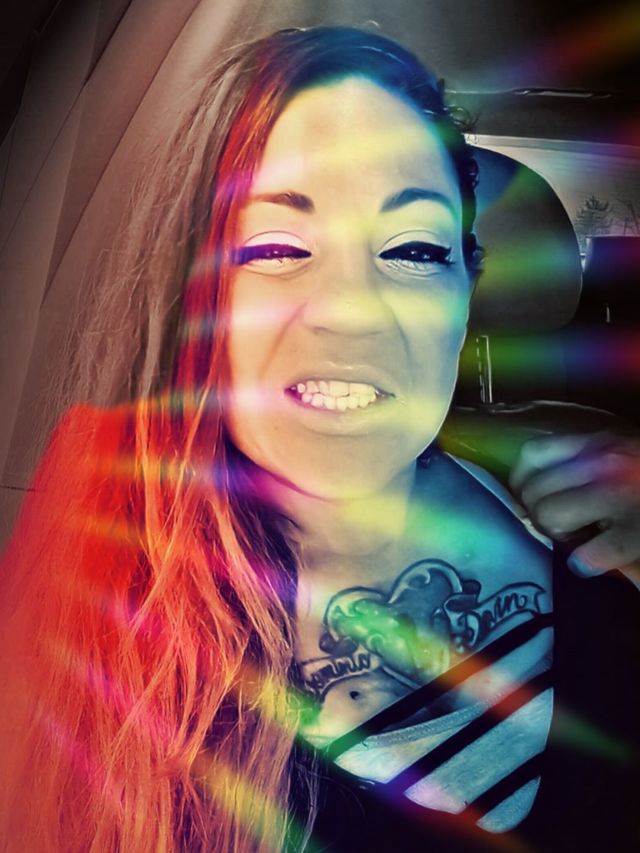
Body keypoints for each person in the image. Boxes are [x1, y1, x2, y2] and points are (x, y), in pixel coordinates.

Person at [0, 26, 639, 853]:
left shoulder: (598, 515)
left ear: (467, 289)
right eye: (274, 248)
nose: (350, 311)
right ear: (200, 293)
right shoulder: (114, 580)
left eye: (414, 250)